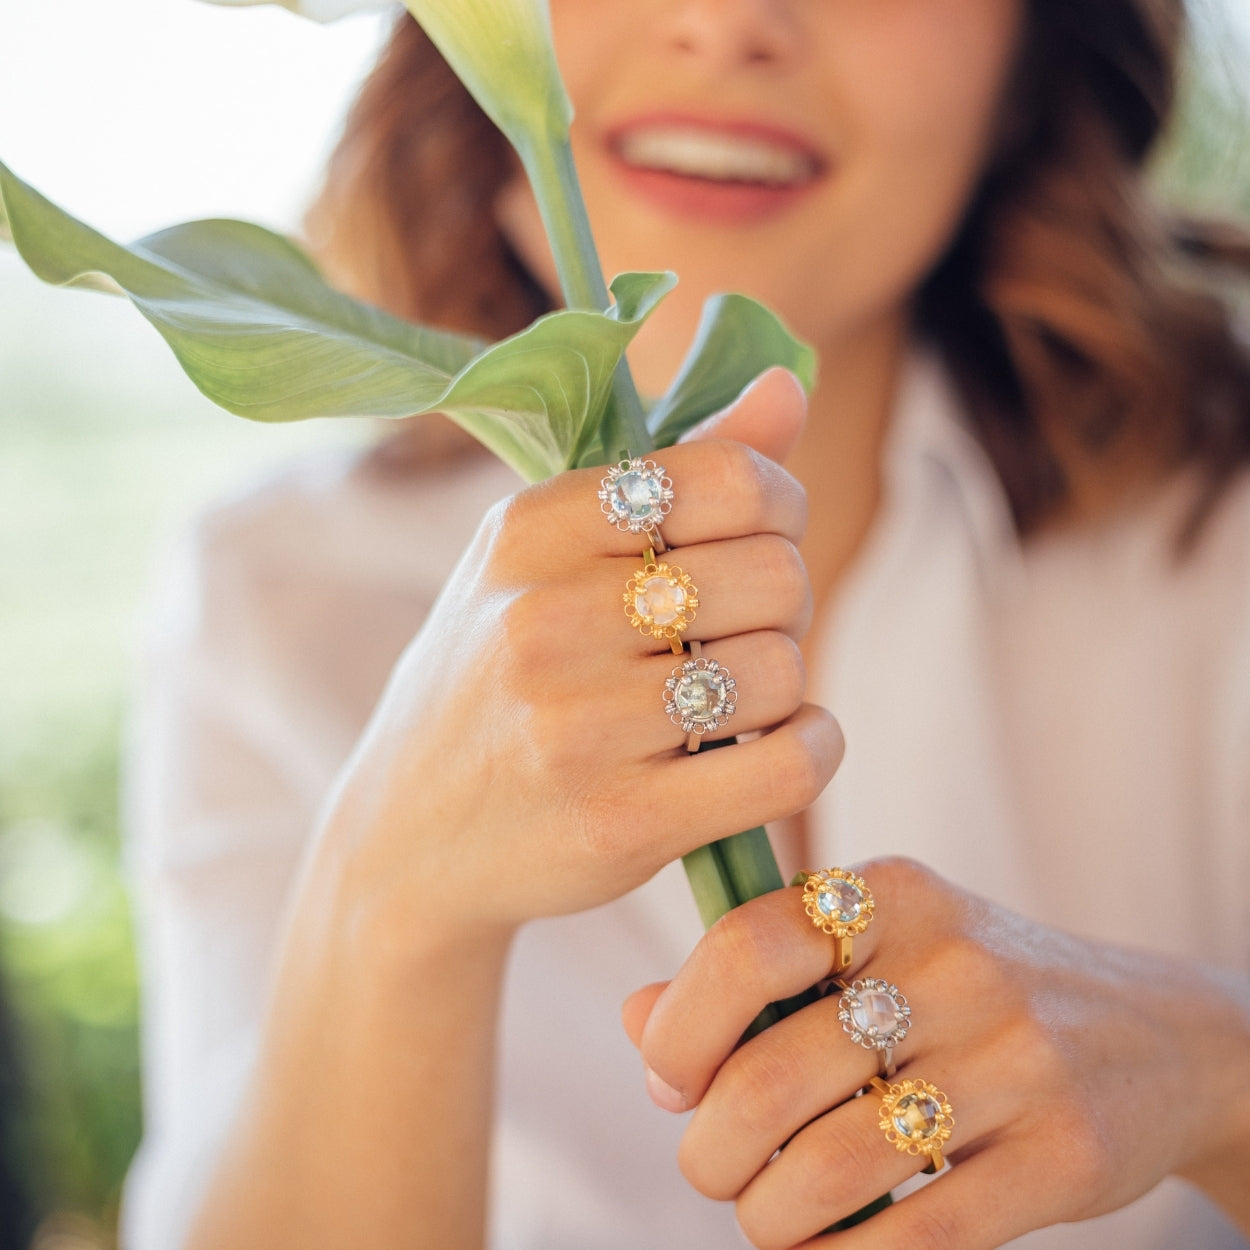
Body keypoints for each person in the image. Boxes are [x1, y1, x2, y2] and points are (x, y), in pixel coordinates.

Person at [120, 1, 1250, 1247]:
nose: (726, 22)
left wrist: (1211, 1067)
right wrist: (389, 892)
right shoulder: (275, 592)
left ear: (1034, 49)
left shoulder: (1219, 531)